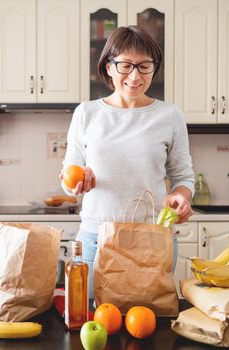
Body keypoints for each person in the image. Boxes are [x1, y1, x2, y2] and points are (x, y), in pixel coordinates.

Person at [60, 25, 195, 297]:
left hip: (152, 240)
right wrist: (75, 184)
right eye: (125, 65)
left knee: (148, 326)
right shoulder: (86, 113)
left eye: (144, 66)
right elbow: (67, 175)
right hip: (94, 240)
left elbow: (183, 177)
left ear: (154, 69)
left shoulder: (169, 116)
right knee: (87, 322)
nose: (135, 75)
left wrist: (181, 197)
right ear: (109, 67)